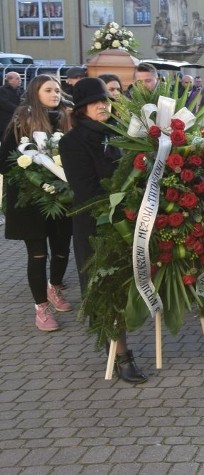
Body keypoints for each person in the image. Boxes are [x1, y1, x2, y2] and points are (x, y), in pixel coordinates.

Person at [59, 78, 147, 383]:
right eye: (96, 102)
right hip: (97, 224)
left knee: (130, 283)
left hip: (132, 218)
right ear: (81, 108)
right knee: (107, 287)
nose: (103, 106)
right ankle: (122, 353)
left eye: (106, 100)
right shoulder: (71, 142)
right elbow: (85, 189)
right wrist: (121, 198)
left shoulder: (121, 132)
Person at [0, 75, 73, 332]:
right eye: (49, 90)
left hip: (61, 197)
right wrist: (31, 172)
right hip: (31, 201)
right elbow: (5, 161)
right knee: (38, 254)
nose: (55, 94)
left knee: (63, 248)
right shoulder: (21, 121)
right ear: (35, 92)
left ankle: (55, 287)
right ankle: (41, 308)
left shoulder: (66, 118)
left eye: (57, 90)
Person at [0, 72, 22, 137]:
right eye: (17, 78)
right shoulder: (2, 90)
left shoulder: (19, 90)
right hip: (4, 123)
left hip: (15, 122)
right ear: (10, 80)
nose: (20, 80)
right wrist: (19, 109)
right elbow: (5, 104)